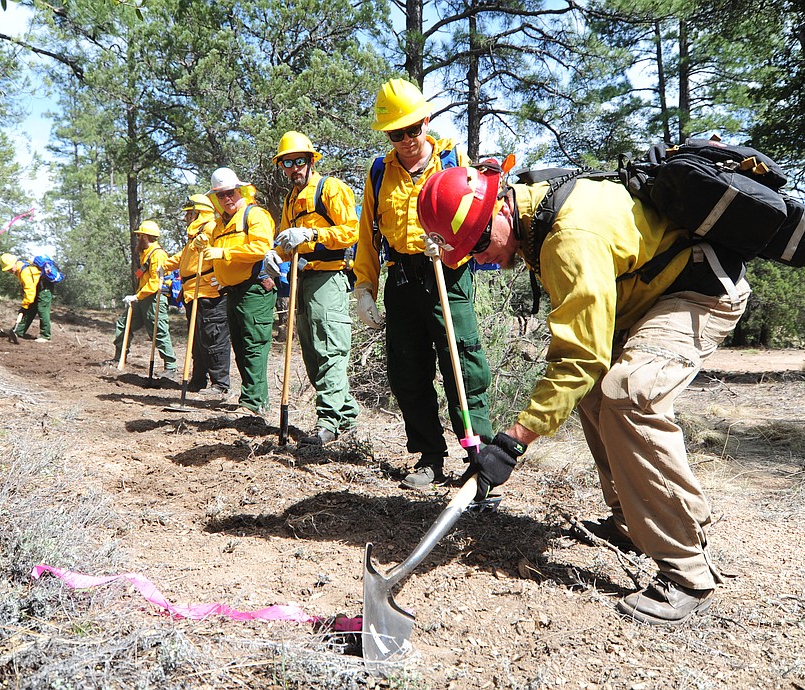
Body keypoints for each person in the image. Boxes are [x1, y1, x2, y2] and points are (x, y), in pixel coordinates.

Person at [418, 161, 751, 627]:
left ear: (499, 210)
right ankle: (633, 524)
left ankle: (687, 572)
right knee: (595, 391)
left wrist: (513, 442)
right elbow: (582, 352)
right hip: (651, 295)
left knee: (628, 393)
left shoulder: (567, 235)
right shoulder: (537, 219)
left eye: (477, 245)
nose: (480, 261)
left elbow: (579, 357)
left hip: (700, 290)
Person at [352, 78, 493, 489]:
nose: (408, 139)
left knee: (461, 362)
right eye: (397, 133)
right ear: (387, 134)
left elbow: (478, 212)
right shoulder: (379, 172)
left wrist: (454, 245)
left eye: (413, 129)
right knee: (408, 370)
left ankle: (477, 452)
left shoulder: (452, 157)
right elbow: (367, 234)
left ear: (426, 121)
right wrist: (364, 288)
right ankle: (429, 456)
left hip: (447, 273)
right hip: (400, 277)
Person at [264, 131, 359, 445]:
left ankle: (328, 424)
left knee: (330, 350)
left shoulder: (329, 189)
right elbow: (284, 243)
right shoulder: (291, 199)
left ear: (310, 160)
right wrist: (274, 256)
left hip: (329, 279)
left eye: (298, 161)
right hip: (301, 282)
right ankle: (346, 419)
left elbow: (351, 231)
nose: (293, 168)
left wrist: (311, 235)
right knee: (313, 354)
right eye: (287, 163)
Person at [200, 168, 276, 414]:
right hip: (232, 292)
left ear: (240, 190)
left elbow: (261, 248)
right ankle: (254, 400)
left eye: (230, 193)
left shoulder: (254, 215)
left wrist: (225, 253)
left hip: (254, 289)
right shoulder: (221, 223)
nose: (226, 199)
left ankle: (253, 403)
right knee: (241, 349)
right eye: (220, 196)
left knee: (253, 345)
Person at [164, 194, 231, 396]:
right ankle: (198, 379)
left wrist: (222, 276)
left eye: (188, 214)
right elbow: (186, 258)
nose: (186, 218)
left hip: (209, 291)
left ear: (198, 212)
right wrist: (164, 265)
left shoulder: (212, 228)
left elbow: (223, 251)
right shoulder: (195, 235)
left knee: (214, 336)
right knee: (197, 339)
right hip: (193, 292)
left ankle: (220, 383)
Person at [109, 220, 179, 373]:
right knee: (123, 324)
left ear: (145, 237)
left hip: (154, 298)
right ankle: (119, 357)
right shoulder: (145, 253)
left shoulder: (158, 255)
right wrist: (137, 296)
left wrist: (137, 296)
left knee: (158, 331)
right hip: (141, 297)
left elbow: (155, 282)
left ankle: (170, 367)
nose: (138, 238)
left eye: (140, 236)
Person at [0, 253, 53, 342]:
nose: (9, 271)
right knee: (30, 309)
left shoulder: (24, 271)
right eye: (7, 269)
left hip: (44, 287)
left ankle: (45, 336)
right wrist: (26, 306)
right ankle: (17, 331)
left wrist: (24, 306)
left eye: (10, 268)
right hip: (37, 286)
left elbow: (30, 291)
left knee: (42, 309)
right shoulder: (19, 267)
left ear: (15, 263)